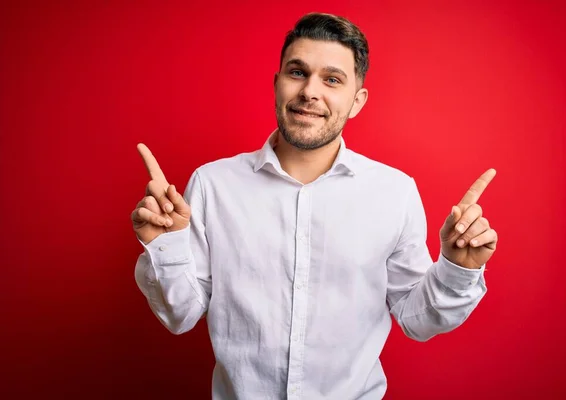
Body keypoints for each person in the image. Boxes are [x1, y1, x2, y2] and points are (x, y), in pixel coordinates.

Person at [132, 12, 498, 400]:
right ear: (277, 84)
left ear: (356, 101)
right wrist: (164, 246)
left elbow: (417, 320)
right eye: (297, 72)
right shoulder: (213, 184)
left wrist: (459, 270)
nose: (310, 91)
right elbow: (180, 315)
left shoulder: (395, 192)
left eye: (332, 79)